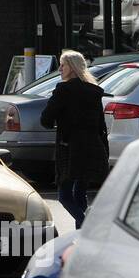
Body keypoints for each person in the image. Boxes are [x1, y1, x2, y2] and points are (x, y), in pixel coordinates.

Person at [40, 49, 110, 230]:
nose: (60, 69)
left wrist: (58, 122)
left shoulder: (64, 89)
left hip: (70, 148)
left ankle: (88, 227)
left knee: (64, 196)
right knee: (79, 192)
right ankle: (82, 237)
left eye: (63, 65)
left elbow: (46, 119)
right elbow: (100, 125)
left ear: (71, 67)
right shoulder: (94, 91)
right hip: (93, 146)